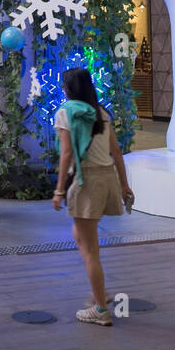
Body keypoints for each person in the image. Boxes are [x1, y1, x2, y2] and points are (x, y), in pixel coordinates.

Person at [52, 67, 134, 327]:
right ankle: (100, 290)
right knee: (82, 237)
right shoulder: (102, 112)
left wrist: (58, 190)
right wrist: (124, 185)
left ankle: (100, 308)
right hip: (107, 178)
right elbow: (117, 151)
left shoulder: (66, 112)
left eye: (64, 86)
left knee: (90, 250)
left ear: (69, 89)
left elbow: (66, 154)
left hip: (85, 180)